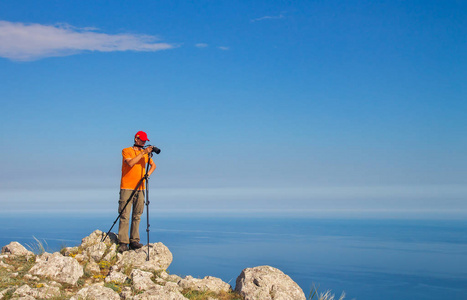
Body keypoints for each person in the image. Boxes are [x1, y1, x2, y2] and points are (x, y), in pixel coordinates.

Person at [117, 131, 156, 253]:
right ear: (136, 139)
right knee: (124, 215)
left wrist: (147, 175)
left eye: (145, 141)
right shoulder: (126, 151)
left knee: (137, 215)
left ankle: (134, 240)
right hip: (127, 187)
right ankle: (123, 242)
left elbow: (153, 165)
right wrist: (144, 152)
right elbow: (130, 163)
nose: (144, 142)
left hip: (140, 188)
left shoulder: (144, 154)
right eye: (142, 140)